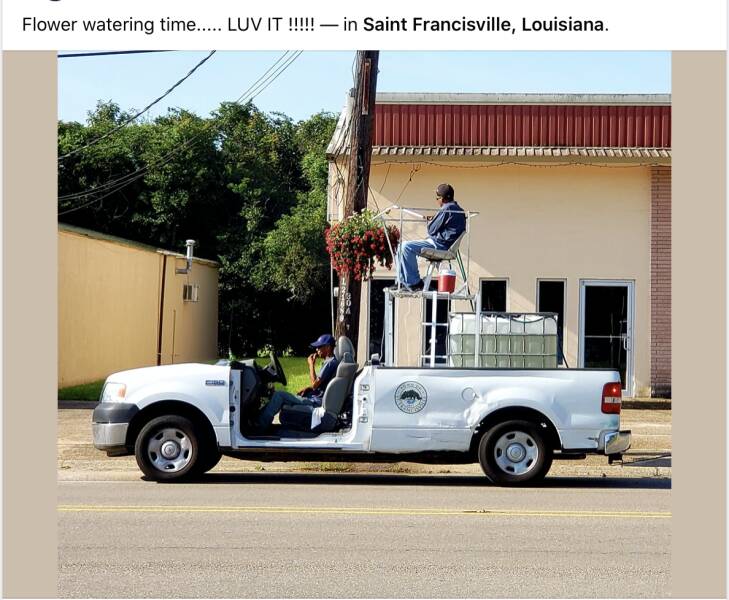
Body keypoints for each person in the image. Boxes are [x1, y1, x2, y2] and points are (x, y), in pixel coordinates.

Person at [256, 334, 339, 430]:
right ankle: (260, 419)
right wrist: (308, 388)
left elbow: (314, 384)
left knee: (279, 395)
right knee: (281, 397)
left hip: (315, 402)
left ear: (328, 347)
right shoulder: (331, 362)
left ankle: (259, 425)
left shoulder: (330, 363)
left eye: (319, 347)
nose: (316, 350)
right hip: (315, 398)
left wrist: (311, 364)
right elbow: (321, 385)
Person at [396, 183, 466, 291]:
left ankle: (414, 283)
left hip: (439, 245)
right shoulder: (459, 210)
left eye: (437, 198)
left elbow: (431, 230)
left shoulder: (446, 208)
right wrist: (435, 219)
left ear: (442, 199)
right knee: (402, 247)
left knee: (405, 247)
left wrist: (432, 221)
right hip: (445, 245)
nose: (437, 200)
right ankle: (404, 282)